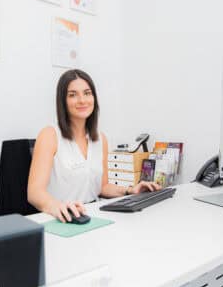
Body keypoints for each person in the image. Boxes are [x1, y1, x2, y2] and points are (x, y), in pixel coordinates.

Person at [28, 69, 161, 222]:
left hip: (92, 215)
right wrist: (57, 206)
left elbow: (102, 187)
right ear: (62, 101)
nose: (82, 100)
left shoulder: (100, 138)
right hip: (62, 218)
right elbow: (34, 193)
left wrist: (131, 190)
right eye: (72, 95)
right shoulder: (49, 135)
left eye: (87, 93)